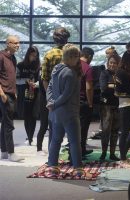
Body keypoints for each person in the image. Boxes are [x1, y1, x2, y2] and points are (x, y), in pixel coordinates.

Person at [46, 44, 83, 174]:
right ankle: (78, 168)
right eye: (77, 56)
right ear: (72, 56)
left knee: (56, 139)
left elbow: (49, 87)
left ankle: (52, 165)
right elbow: (67, 95)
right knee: (74, 141)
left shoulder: (56, 69)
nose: (78, 59)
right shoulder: (71, 73)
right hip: (69, 112)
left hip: (56, 113)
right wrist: (55, 103)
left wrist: (50, 102)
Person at [38, 27, 70, 154]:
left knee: (53, 125)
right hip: (69, 92)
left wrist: (49, 96)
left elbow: (44, 78)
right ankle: (72, 156)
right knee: (71, 124)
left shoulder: (49, 54)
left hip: (53, 92)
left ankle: (53, 156)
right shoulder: (72, 52)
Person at [0, 35, 24, 162]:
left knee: (5, 123)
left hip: (10, 93)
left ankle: (4, 151)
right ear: (7, 43)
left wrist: (14, 91)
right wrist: (2, 93)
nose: (17, 45)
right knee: (9, 124)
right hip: (4, 94)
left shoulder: (13, 58)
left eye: (18, 43)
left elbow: (10, 77)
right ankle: (11, 153)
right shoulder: (1, 56)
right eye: (14, 43)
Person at [99, 54, 121, 161]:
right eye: (111, 62)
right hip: (106, 105)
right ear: (108, 63)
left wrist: (111, 86)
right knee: (105, 130)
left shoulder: (120, 74)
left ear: (118, 64)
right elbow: (103, 88)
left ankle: (112, 153)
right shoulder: (104, 73)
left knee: (115, 130)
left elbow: (123, 88)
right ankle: (103, 152)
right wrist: (115, 86)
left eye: (115, 63)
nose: (112, 65)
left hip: (118, 105)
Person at [16, 46, 40, 146]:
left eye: (36, 56)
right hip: (24, 92)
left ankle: (30, 137)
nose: (34, 57)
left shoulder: (38, 66)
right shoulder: (20, 65)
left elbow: (41, 80)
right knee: (26, 115)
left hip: (35, 92)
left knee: (33, 115)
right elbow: (16, 79)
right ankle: (29, 137)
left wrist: (36, 84)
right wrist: (26, 81)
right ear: (28, 54)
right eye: (32, 55)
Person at [79, 47, 94, 157]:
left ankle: (75, 150)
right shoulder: (87, 68)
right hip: (83, 101)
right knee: (83, 128)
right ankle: (82, 150)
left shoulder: (73, 65)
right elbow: (88, 88)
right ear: (89, 56)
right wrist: (90, 103)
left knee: (74, 128)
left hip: (72, 101)